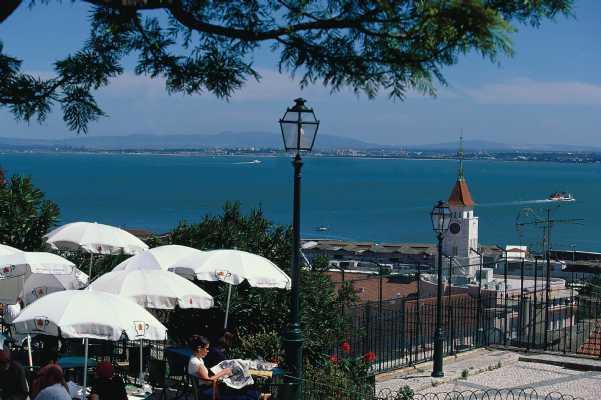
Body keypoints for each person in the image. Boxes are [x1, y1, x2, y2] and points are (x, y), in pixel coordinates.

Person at [188, 335, 267, 400]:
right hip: (208, 391)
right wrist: (223, 372)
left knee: (239, 385)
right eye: (206, 348)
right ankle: (261, 396)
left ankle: (261, 396)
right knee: (238, 391)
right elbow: (209, 381)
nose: (208, 351)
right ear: (199, 349)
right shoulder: (197, 363)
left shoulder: (196, 359)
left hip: (208, 388)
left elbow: (205, 378)